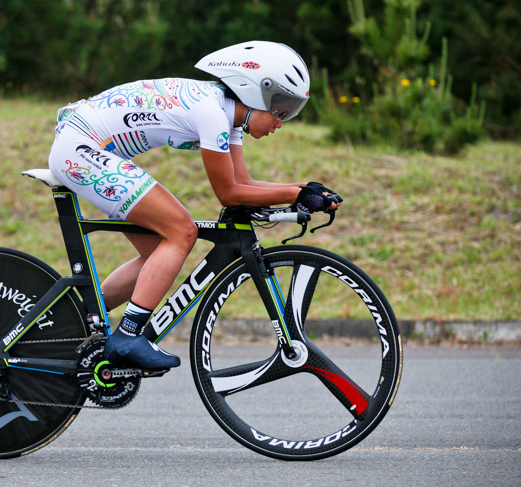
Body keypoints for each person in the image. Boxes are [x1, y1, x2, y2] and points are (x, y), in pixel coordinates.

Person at [48, 41, 343, 371]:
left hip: (90, 148)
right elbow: (229, 194)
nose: (282, 122)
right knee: (181, 231)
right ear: (256, 94)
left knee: (159, 251)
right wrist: (294, 194)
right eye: (283, 109)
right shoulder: (212, 113)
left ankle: (65, 327)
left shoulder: (229, 117)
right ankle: (129, 336)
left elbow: (244, 183)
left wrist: (303, 190)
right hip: (81, 148)